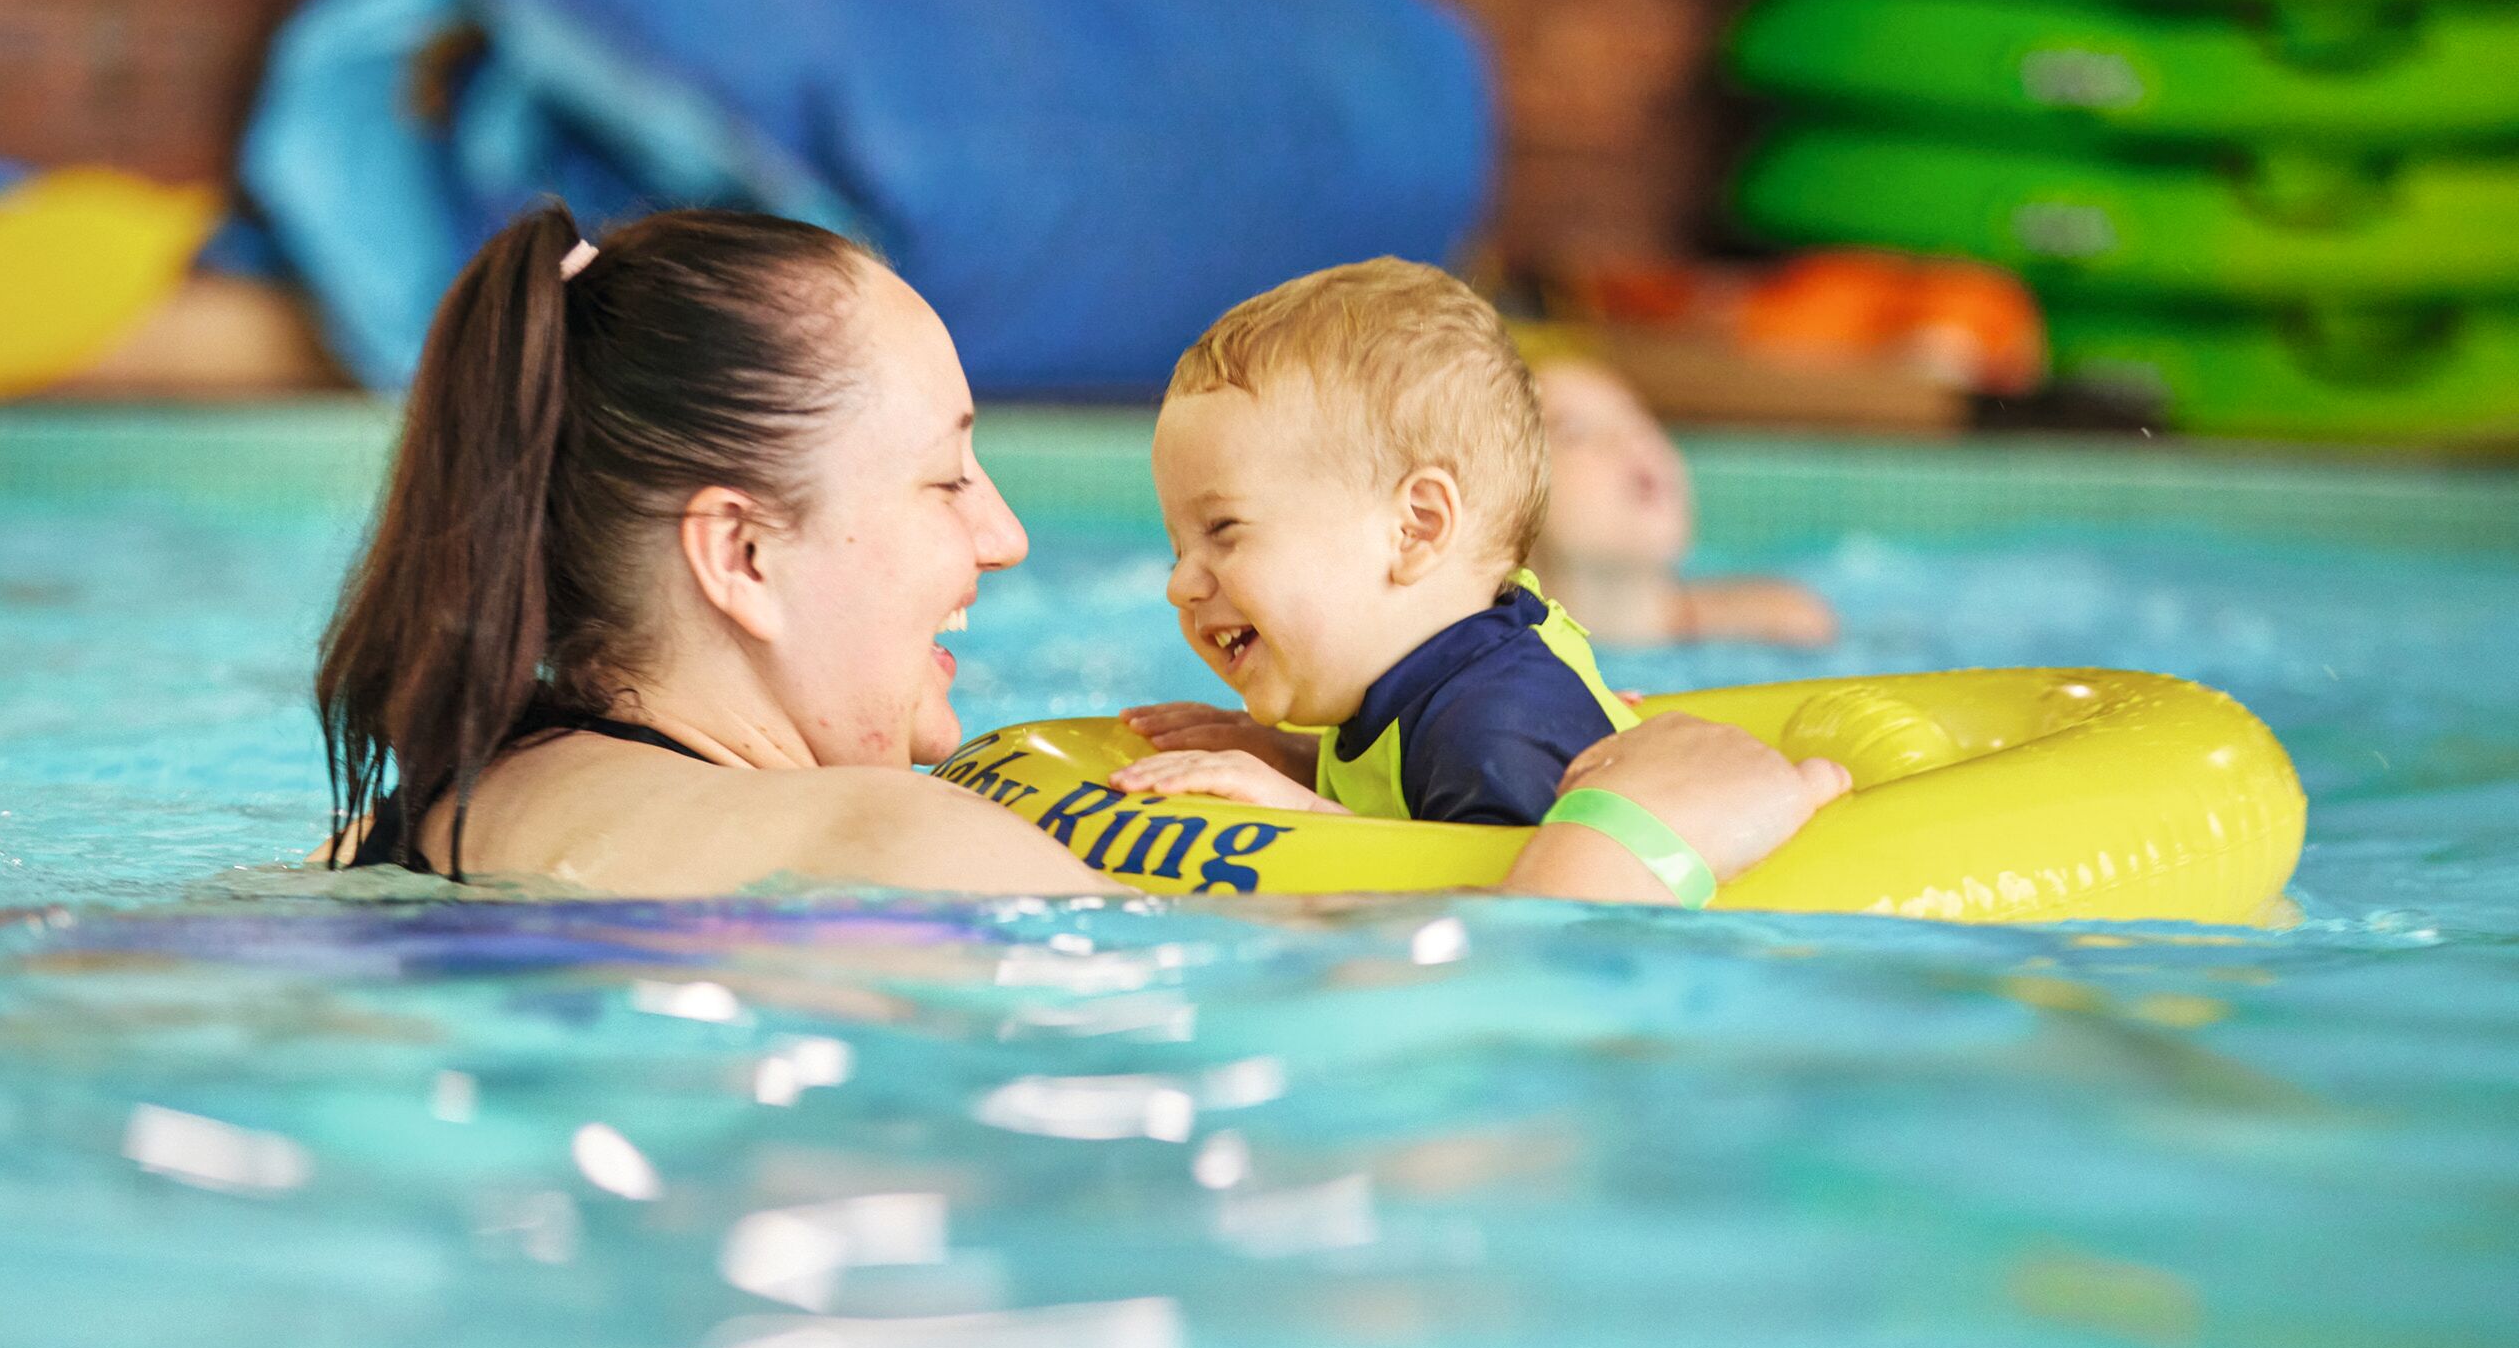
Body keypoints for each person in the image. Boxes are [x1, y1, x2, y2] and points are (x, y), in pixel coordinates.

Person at [318, 205, 1847, 900]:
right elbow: (1428, 1072)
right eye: (946, 480)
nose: (1007, 532)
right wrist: (1627, 853)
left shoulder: (403, 829)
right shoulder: (900, 856)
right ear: (742, 557)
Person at [1104, 259, 1632, 826]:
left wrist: (1302, 814)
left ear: (1415, 529)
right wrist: (1298, 759)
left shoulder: (1496, 723)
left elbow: (1521, 897)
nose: (1179, 585)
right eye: (1178, 551)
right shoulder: (1418, 685)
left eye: (1224, 530)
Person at [1518, 335, 1838, 649]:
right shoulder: (1492, 663)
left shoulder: (1778, 624)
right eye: (1575, 430)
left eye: (1636, 417)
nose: (1630, 438)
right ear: (1505, 503)